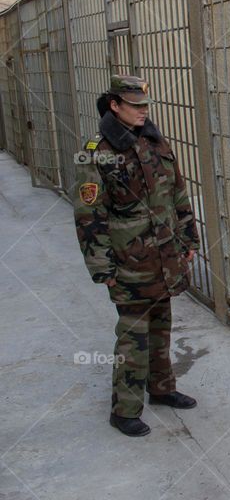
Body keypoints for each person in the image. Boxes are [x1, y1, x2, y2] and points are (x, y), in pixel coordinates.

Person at [74, 75, 201, 437]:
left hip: (165, 255)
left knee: (161, 325)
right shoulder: (96, 152)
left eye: (145, 105)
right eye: (135, 105)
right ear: (115, 105)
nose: (143, 112)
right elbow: (89, 216)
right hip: (129, 261)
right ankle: (124, 409)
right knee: (133, 336)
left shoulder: (155, 142)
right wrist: (101, 267)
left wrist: (189, 235)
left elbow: (177, 192)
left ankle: (162, 389)